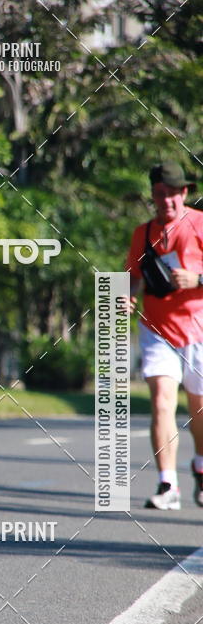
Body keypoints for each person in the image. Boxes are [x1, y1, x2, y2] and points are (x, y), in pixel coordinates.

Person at [126, 160, 203, 509]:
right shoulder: (142, 233)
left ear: (185, 193)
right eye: (161, 194)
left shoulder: (200, 224)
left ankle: (200, 466)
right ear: (153, 196)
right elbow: (132, 276)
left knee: (198, 410)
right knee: (161, 402)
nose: (167, 201)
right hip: (157, 329)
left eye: (173, 194)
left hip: (198, 327)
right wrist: (126, 296)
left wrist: (197, 279)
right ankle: (167, 484)